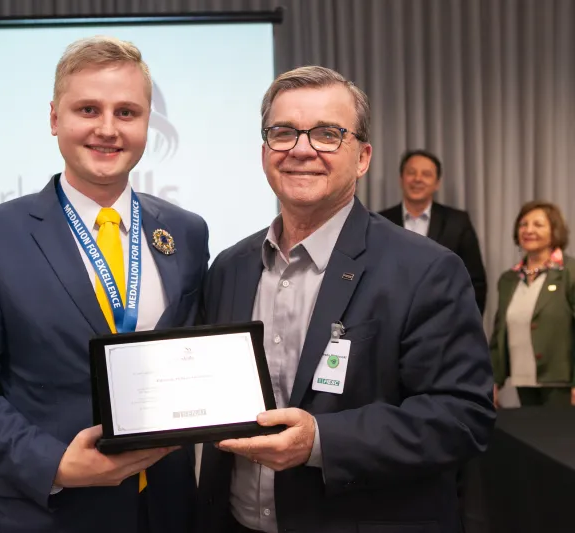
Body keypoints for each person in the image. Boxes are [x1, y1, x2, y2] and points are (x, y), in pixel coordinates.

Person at [195, 66, 495, 533]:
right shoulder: (229, 269)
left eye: (327, 134)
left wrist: (321, 441)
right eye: (283, 133)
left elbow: (462, 416)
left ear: (362, 157)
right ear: (264, 152)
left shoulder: (426, 270)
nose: (301, 149)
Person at [0, 36, 209, 533]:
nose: (107, 129)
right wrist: (56, 464)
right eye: (88, 109)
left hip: (165, 509)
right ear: (55, 118)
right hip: (43, 510)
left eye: (127, 112)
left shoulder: (186, 233)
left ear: (148, 122)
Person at [379, 149, 488, 313]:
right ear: (401, 179)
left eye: (426, 174)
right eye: (411, 173)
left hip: (444, 324)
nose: (417, 179)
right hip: (390, 322)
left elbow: (475, 283)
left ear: (437, 183)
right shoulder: (381, 222)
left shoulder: (457, 222)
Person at [490, 200, 575, 407]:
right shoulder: (508, 279)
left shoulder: (569, 273)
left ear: (555, 231)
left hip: (561, 383)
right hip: (523, 378)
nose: (528, 230)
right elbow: (499, 333)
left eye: (538, 225)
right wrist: (493, 380)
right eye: (523, 224)